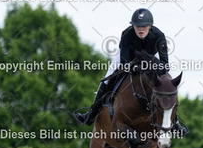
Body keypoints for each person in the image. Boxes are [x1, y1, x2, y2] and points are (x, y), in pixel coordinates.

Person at [73, 8, 187, 136]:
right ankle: (91, 113)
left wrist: (141, 67)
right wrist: (134, 67)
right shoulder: (127, 35)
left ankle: (175, 122)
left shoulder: (159, 36)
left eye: (144, 26)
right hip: (130, 58)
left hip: (151, 57)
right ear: (133, 26)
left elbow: (165, 65)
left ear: (150, 26)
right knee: (109, 74)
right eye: (137, 26)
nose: (140, 29)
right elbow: (125, 64)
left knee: (169, 81)